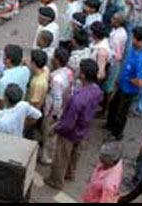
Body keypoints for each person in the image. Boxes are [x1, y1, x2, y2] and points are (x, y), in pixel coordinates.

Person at [45, 59, 103, 190]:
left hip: (70, 133)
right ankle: (70, 174)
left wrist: (55, 129)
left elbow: (67, 124)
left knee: (61, 157)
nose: (76, 70)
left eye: (79, 69)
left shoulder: (77, 100)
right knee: (74, 155)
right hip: (83, 129)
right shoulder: (96, 90)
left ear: (82, 75)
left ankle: (56, 181)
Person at [107, 27, 142, 141]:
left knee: (121, 114)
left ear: (141, 42)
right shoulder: (134, 48)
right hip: (122, 86)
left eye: (135, 39)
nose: (133, 40)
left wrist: (129, 79)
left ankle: (117, 134)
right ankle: (109, 126)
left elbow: (140, 82)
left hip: (129, 91)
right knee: (113, 106)